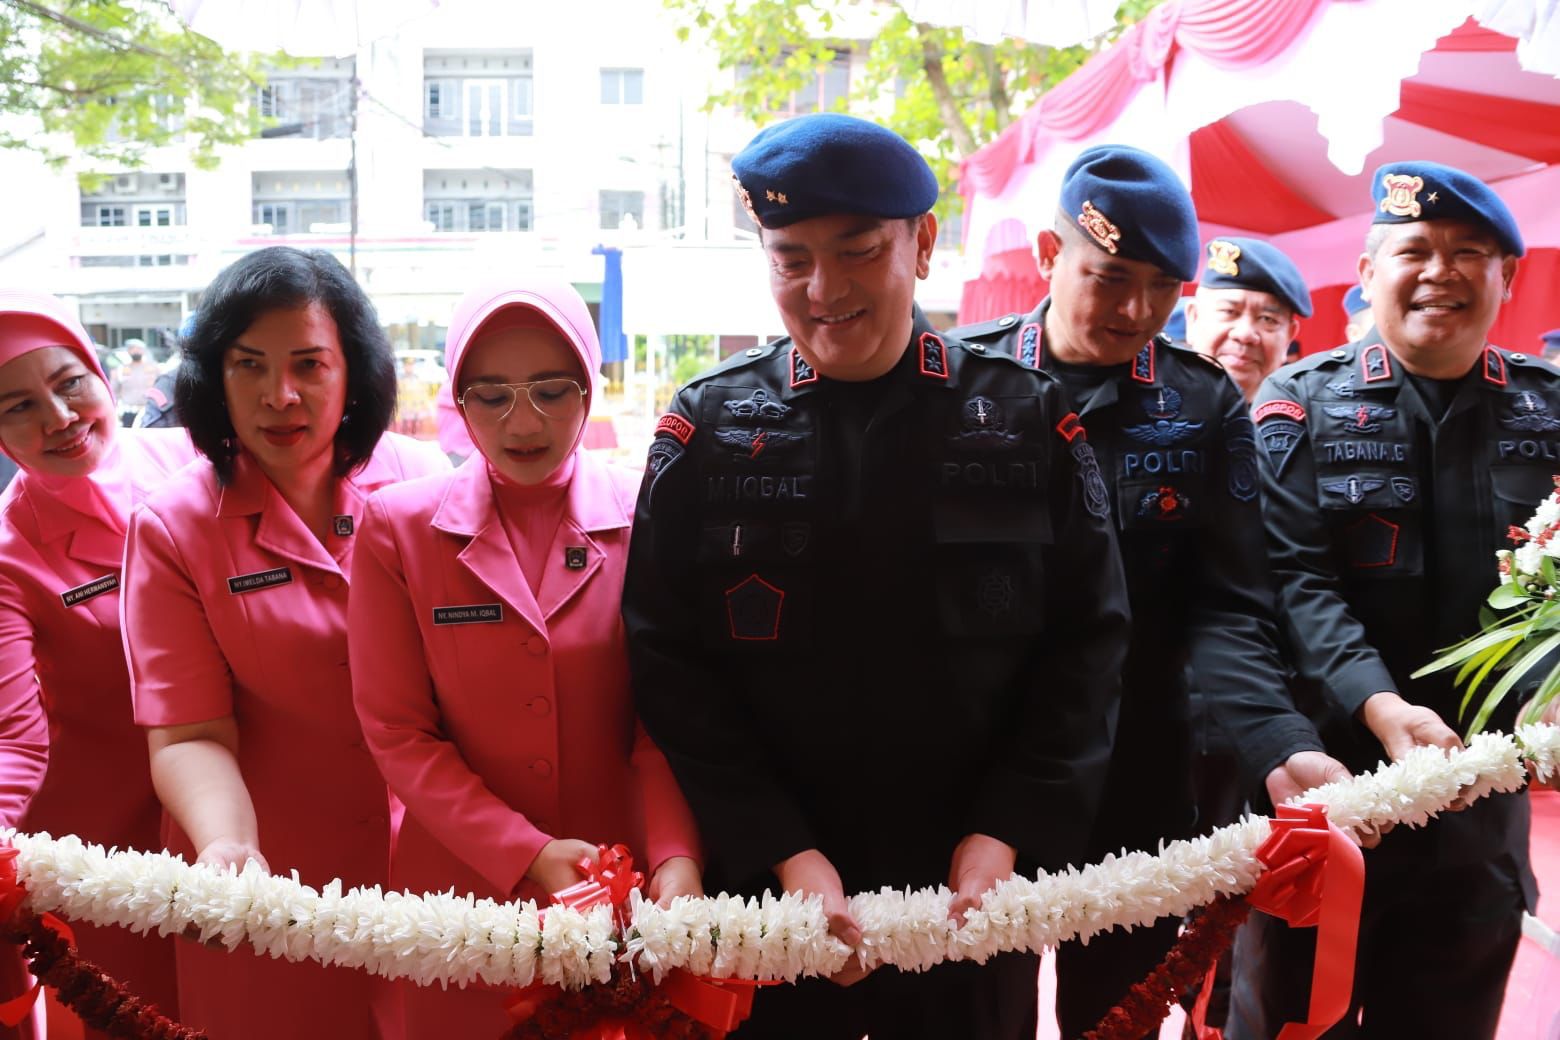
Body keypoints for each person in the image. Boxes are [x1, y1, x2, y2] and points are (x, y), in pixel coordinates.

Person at [623, 113, 1130, 1040]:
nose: (824, 290)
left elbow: (1087, 645)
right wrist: (780, 848)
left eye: (857, 252)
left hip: (969, 897)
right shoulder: (709, 428)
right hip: (771, 902)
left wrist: (1008, 829)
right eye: (790, 260)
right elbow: (667, 660)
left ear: (923, 243)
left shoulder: (1026, 420)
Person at [950, 147, 1307, 1039]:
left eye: (1162, 287)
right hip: (974, 784)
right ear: (1046, 254)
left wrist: (1275, 740)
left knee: (1117, 1019)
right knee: (970, 1011)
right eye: (1110, 278)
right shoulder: (953, 385)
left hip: (1137, 785)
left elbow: (1229, 602)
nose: (1138, 311)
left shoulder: (1204, 403)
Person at [1229, 161, 1547, 1039]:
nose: (1440, 270)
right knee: (1292, 1022)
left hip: (1479, 821)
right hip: (1329, 799)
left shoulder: (1548, 413)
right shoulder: (1302, 405)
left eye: (1468, 252)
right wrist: (1380, 704)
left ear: (1506, 277)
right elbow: (1295, 579)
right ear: (1368, 275)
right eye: (1414, 250)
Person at [348, 275, 702, 1037]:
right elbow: (397, 732)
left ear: (588, 387)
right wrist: (525, 852)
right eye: (492, 394)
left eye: (550, 389)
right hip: (461, 900)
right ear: (457, 399)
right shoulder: (399, 529)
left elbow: (669, 714)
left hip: (630, 887)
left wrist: (678, 857)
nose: (524, 421)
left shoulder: (648, 511)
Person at [120, 247, 449, 1039]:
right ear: (212, 377)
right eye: (249, 366)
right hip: (265, 892)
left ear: (357, 370)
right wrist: (230, 847)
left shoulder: (422, 485)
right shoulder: (174, 527)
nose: (280, 396)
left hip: (434, 887)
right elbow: (190, 731)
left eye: (310, 363)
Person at [0, 291, 191, 1037]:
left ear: (104, 377)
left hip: (244, 809)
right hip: (112, 846)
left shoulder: (191, 461)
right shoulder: (11, 558)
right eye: (17, 405)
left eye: (69, 381)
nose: (58, 417)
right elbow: (16, 735)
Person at [1184, 236, 1312, 402]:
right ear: (1193, 318)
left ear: (1289, 336)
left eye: (1267, 319)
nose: (1245, 335)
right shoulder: (1147, 415)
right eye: (1229, 311)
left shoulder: (1309, 425)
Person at [112, 338, 159, 426]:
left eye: (138, 349)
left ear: (143, 351)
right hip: (129, 411)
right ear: (128, 351)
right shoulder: (121, 369)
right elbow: (114, 391)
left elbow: (160, 388)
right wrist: (115, 410)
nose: (135, 351)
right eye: (132, 349)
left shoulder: (153, 368)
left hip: (148, 411)